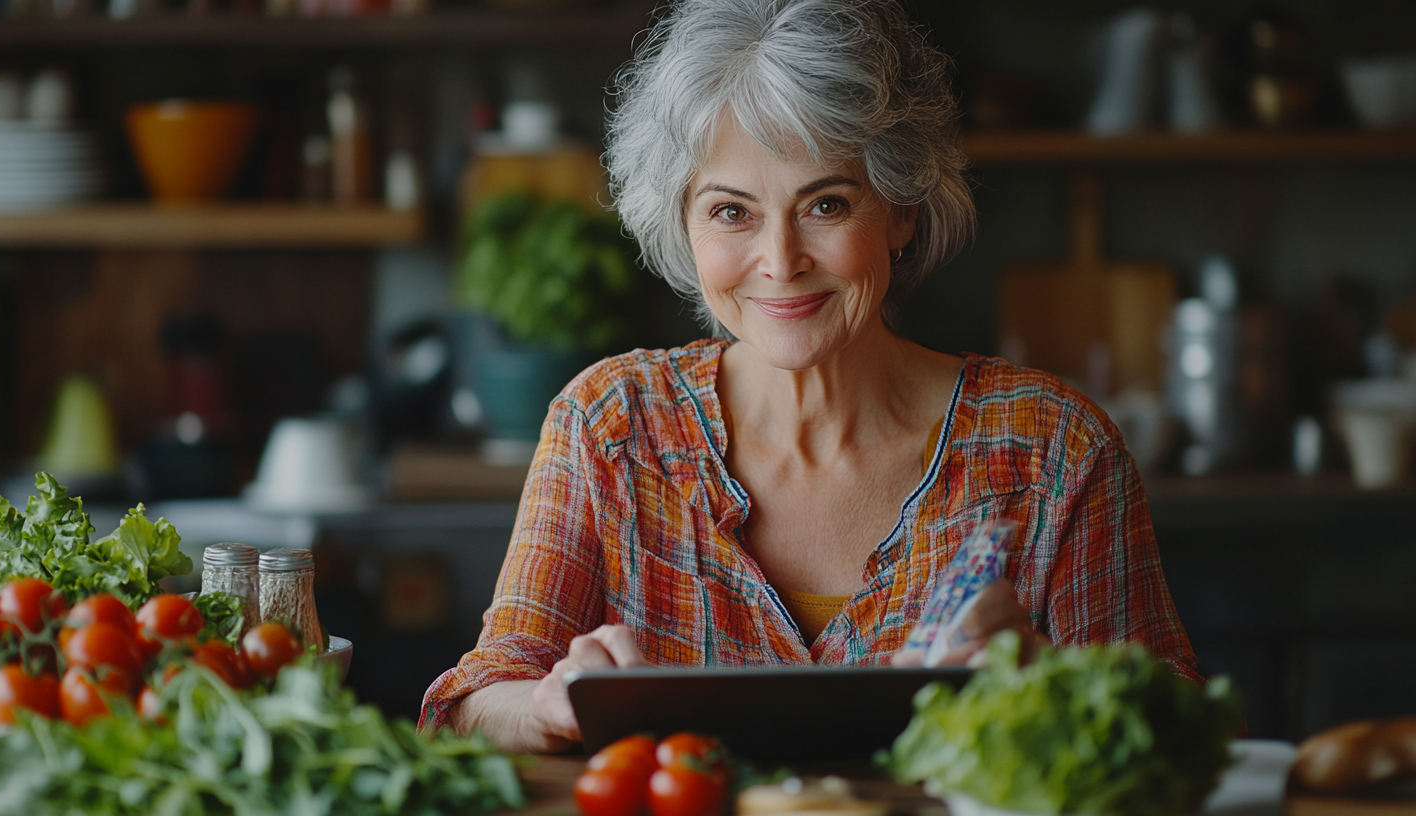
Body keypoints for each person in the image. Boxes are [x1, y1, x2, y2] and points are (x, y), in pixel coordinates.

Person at [420, 0, 1199, 753]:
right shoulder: (611, 425)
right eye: (731, 212)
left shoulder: (1053, 450)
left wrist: (1051, 684)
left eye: (825, 203)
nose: (781, 261)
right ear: (681, 224)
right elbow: (470, 705)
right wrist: (549, 701)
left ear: (902, 211)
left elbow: (1179, 723)